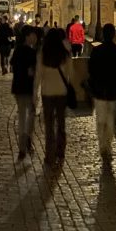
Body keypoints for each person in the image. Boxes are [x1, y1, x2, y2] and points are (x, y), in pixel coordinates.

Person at [87, 23, 116, 164]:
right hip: (113, 92)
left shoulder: (97, 51)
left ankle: (102, 145)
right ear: (113, 34)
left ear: (103, 34)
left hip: (99, 91)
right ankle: (108, 146)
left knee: (101, 120)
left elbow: (91, 70)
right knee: (110, 120)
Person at [36, 27, 72, 167]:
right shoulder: (65, 54)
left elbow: (38, 75)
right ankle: (60, 151)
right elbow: (70, 74)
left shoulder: (43, 53)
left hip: (47, 93)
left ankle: (49, 154)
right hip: (61, 93)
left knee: (49, 125)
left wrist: (35, 94)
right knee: (61, 124)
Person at [11, 26, 38, 160]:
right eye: (33, 35)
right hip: (28, 88)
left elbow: (12, 65)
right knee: (31, 114)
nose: (35, 38)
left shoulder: (17, 50)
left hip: (17, 87)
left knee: (22, 116)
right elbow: (33, 72)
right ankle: (27, 137)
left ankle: (22, 146)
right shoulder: (32, 52)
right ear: (28, 36)